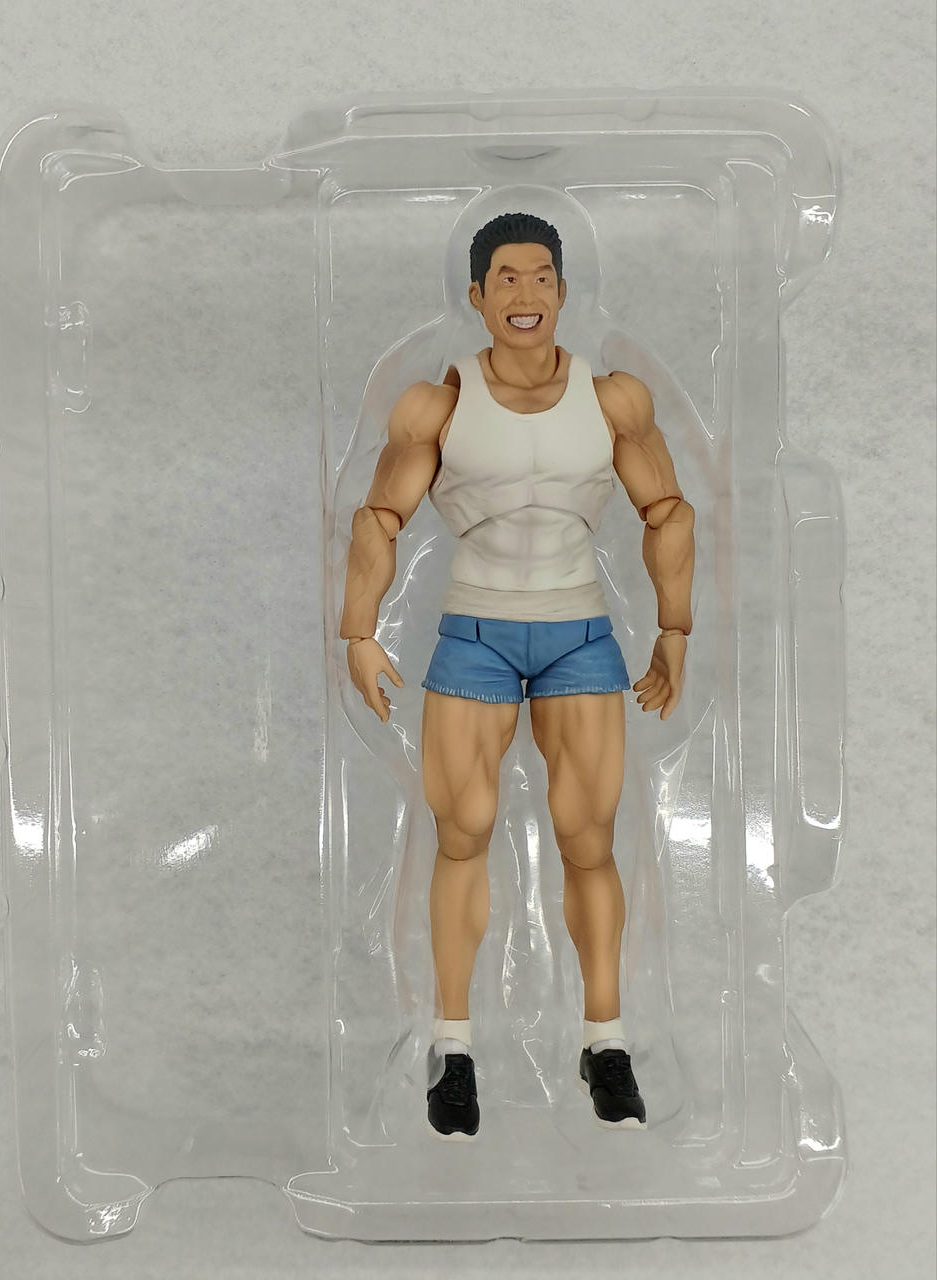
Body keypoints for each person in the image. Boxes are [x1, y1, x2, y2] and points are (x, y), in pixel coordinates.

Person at [339, 211, 694, 1139]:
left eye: (540, 277)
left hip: (579, 634)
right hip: (475, 632)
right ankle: (452, 1048)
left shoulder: (612, 399)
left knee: (587, 838)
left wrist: (674, 630)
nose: (525, 295)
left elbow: (666, 509)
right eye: (506, 279)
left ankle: (604, 1041)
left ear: (563, 291)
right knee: (460, 833)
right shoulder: (436, 405)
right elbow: (379, 517)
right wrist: (358, 632)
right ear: (476, 295)